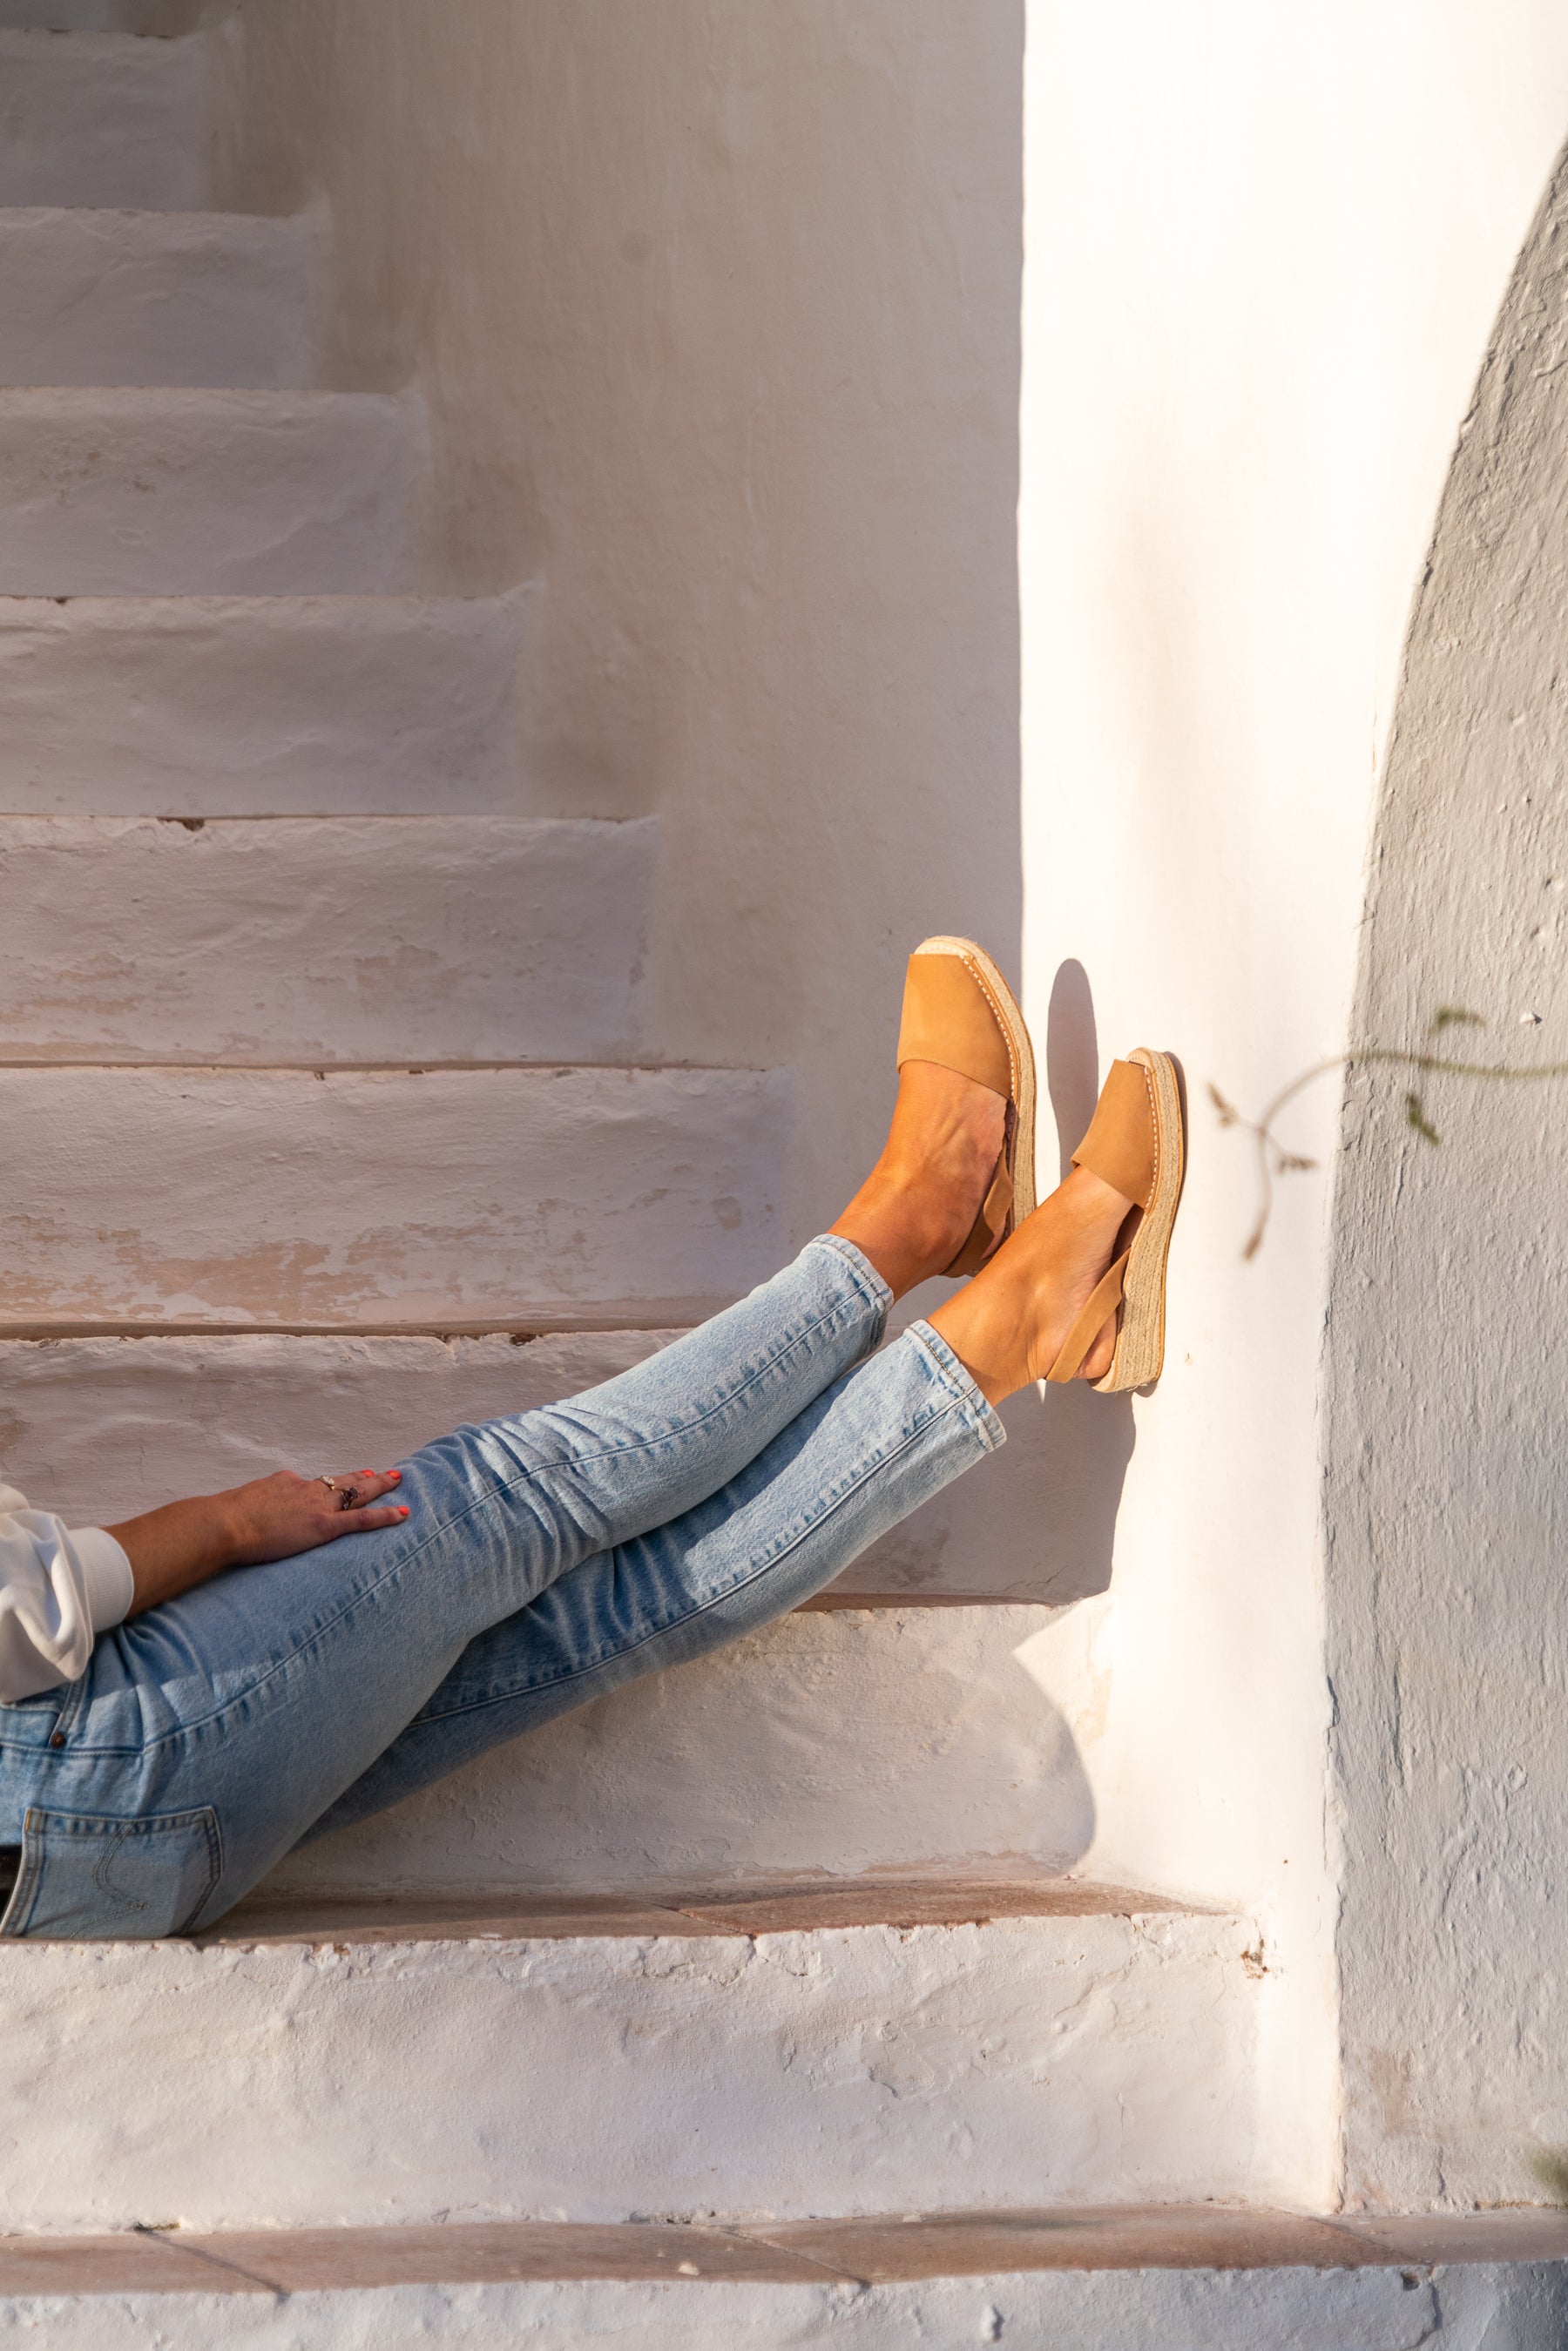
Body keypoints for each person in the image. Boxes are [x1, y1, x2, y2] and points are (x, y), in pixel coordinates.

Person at [0, 940, 1183, 1941]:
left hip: (85, 1872)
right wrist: (215, 1525)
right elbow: (24, 1618)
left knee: (597, 1615)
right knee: (506, 1498)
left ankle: (1023, 1319)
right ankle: (918, 1222)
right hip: (88, 1754)